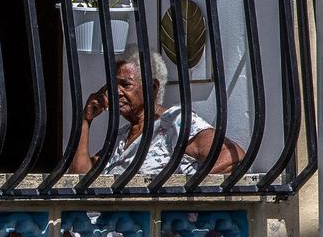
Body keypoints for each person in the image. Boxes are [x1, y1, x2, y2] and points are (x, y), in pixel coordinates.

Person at [69, 48, 244, 175]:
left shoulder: (175, 122)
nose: (116, 92)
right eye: (113, 85)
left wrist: (185, 196)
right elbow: (79, 177)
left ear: (152, 88)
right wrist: (85, 121)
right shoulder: (120, 139)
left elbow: (233, 157)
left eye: (125, 85)